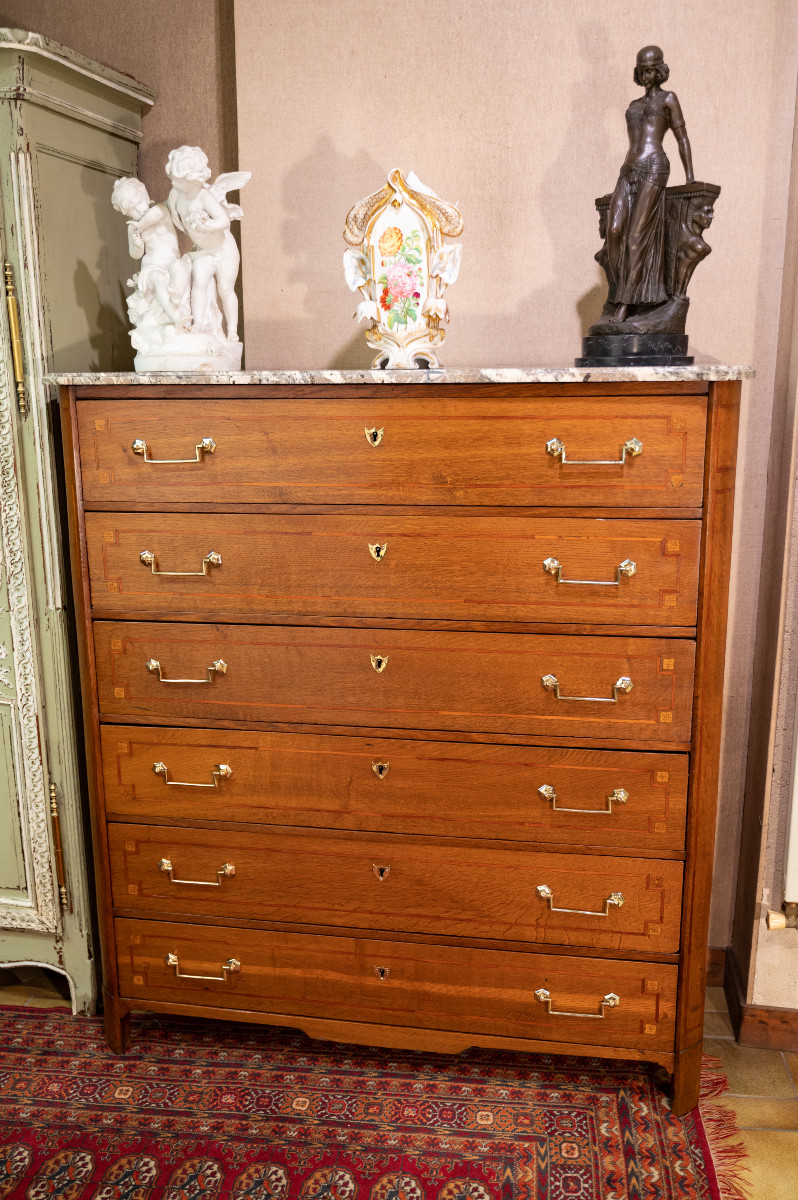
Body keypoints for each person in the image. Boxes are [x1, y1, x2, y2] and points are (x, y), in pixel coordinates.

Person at [605, 45, 694, 323]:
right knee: (615, 230)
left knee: (635, 238)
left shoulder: (669, 99)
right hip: (628, 169)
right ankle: (619, 290)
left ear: (660, 71)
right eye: (641, 70)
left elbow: (681, 137)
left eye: (650, 70)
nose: (645, 75)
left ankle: (626, 303)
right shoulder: (633, 106)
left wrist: (690, 177)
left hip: (654, 168)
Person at [165, 146, 250, 341]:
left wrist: (207, 225)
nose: (173, 183)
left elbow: (224, 221)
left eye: (178, 180)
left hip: (224, 249)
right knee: (199, 281)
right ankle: (199, 323)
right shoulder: (175, 195)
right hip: (204, 251)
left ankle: (232, 331)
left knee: (225, 289)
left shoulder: (204, 196)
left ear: (193, 181)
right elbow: (166, 211)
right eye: (173, 179)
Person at [111, 176, 189, 326]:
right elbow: (135, 254)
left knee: (180, 267)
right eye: (132, 210)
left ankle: (176, 297)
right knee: (156, 279)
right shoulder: (132, 228)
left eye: (139, 202)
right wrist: (138, 245)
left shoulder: (159, 210)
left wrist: (139, 227)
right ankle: (176, 315)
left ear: (146, 195)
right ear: (126, 214)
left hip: (171, 262)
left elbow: (153, 217)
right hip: (151, 268)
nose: (138, 209)